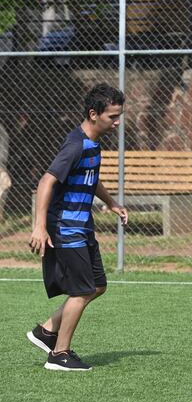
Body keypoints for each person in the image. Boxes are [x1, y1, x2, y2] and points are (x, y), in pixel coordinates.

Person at [27, 83, 128, 372]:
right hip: (66, 229)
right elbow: (46, 182)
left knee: (97, 286)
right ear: (94, 114)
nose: (117, 122)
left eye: (119, 115)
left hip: (83, 227)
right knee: (82, 290)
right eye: (113, 116)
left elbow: (90, 178)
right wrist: (39, 227)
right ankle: (59, 354)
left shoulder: (93, 143)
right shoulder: (75, 145)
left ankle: (46, 331)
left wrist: (111, 203)